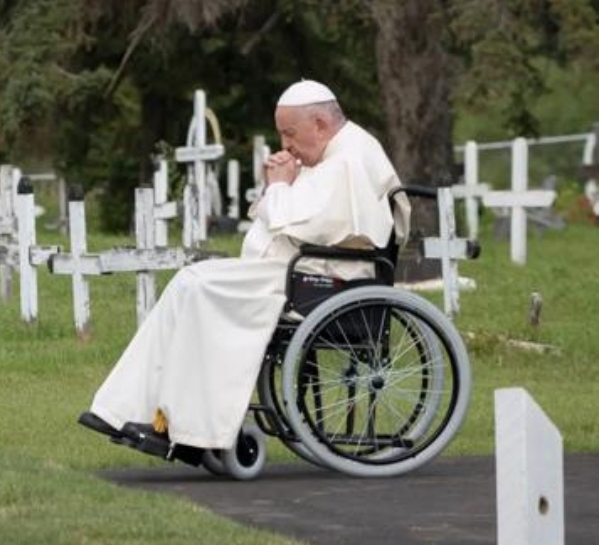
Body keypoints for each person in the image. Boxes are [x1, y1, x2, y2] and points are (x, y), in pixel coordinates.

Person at [78, 80, 407, 459]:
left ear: (319, 123)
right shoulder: (331, 153)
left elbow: (301, 224)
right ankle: (123, 410)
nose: (286, 145)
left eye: (290, 133)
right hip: (297, 272)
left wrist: (280, 186)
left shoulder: (349, 157)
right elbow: (307, 216)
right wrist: (287, 183)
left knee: (196, 285)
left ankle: (188, 432)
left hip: (320, 280)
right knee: (190, 283)